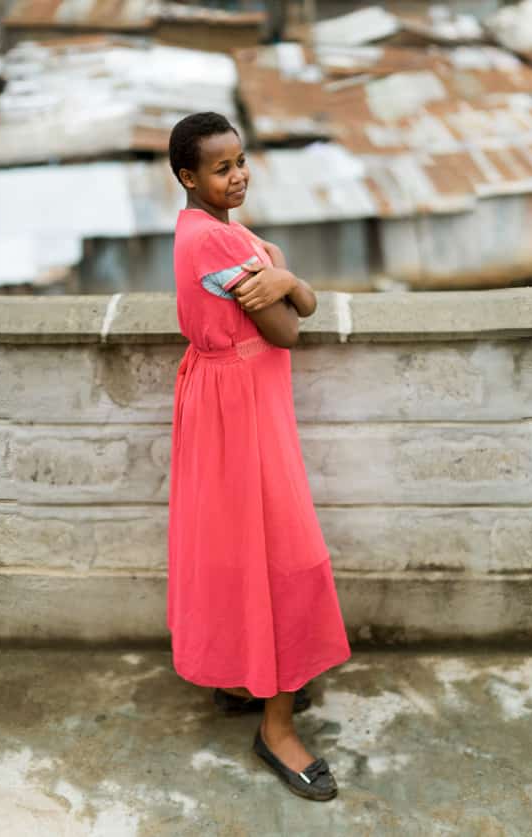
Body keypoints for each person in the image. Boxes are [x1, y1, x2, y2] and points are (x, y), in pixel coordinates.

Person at [166, 111, 351, 802]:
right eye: (221, 167)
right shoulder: (215, 241)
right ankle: (276, 727)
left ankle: (243, 675)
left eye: (241, 161)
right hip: (240, 410)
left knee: (243, 548)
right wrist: (288, 285)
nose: (238, 174)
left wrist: (288, 278)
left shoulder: (213, 229)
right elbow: (287, 328)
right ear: (188, 177)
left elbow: (293, 300)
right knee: (283, 558)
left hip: (233, 403)